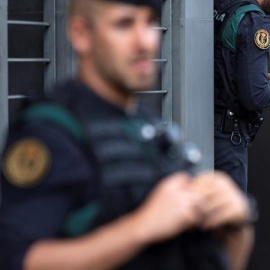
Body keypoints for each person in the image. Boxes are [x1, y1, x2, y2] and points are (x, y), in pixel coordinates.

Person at [0, 0, 255, 269]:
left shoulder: (151, 127)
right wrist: (142, 227)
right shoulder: (50, 133)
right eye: (124, 24)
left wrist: (236, 227)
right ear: (81, 34)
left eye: (150, 23)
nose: (144, 41)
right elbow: (20, 260)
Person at [213, 0, 270, 191]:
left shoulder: (224, 7)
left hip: (204, 129)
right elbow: (256, 97)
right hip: (227, 139)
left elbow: (225, 68)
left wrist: (258, 77)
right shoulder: (254, 21)